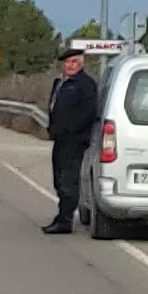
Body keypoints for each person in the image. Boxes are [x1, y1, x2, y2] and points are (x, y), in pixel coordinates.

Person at [43, 50, 99, 233]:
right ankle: (62, 215)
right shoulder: (61, 82)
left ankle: (65, 220)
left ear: (81, 63)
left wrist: (71, 129)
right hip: (60, 139)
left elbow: (89, 112)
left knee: (68, 179)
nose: (70, 65)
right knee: (59, 178)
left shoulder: (85, 84)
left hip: (75, 140)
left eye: (74, 62)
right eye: (67, 62)